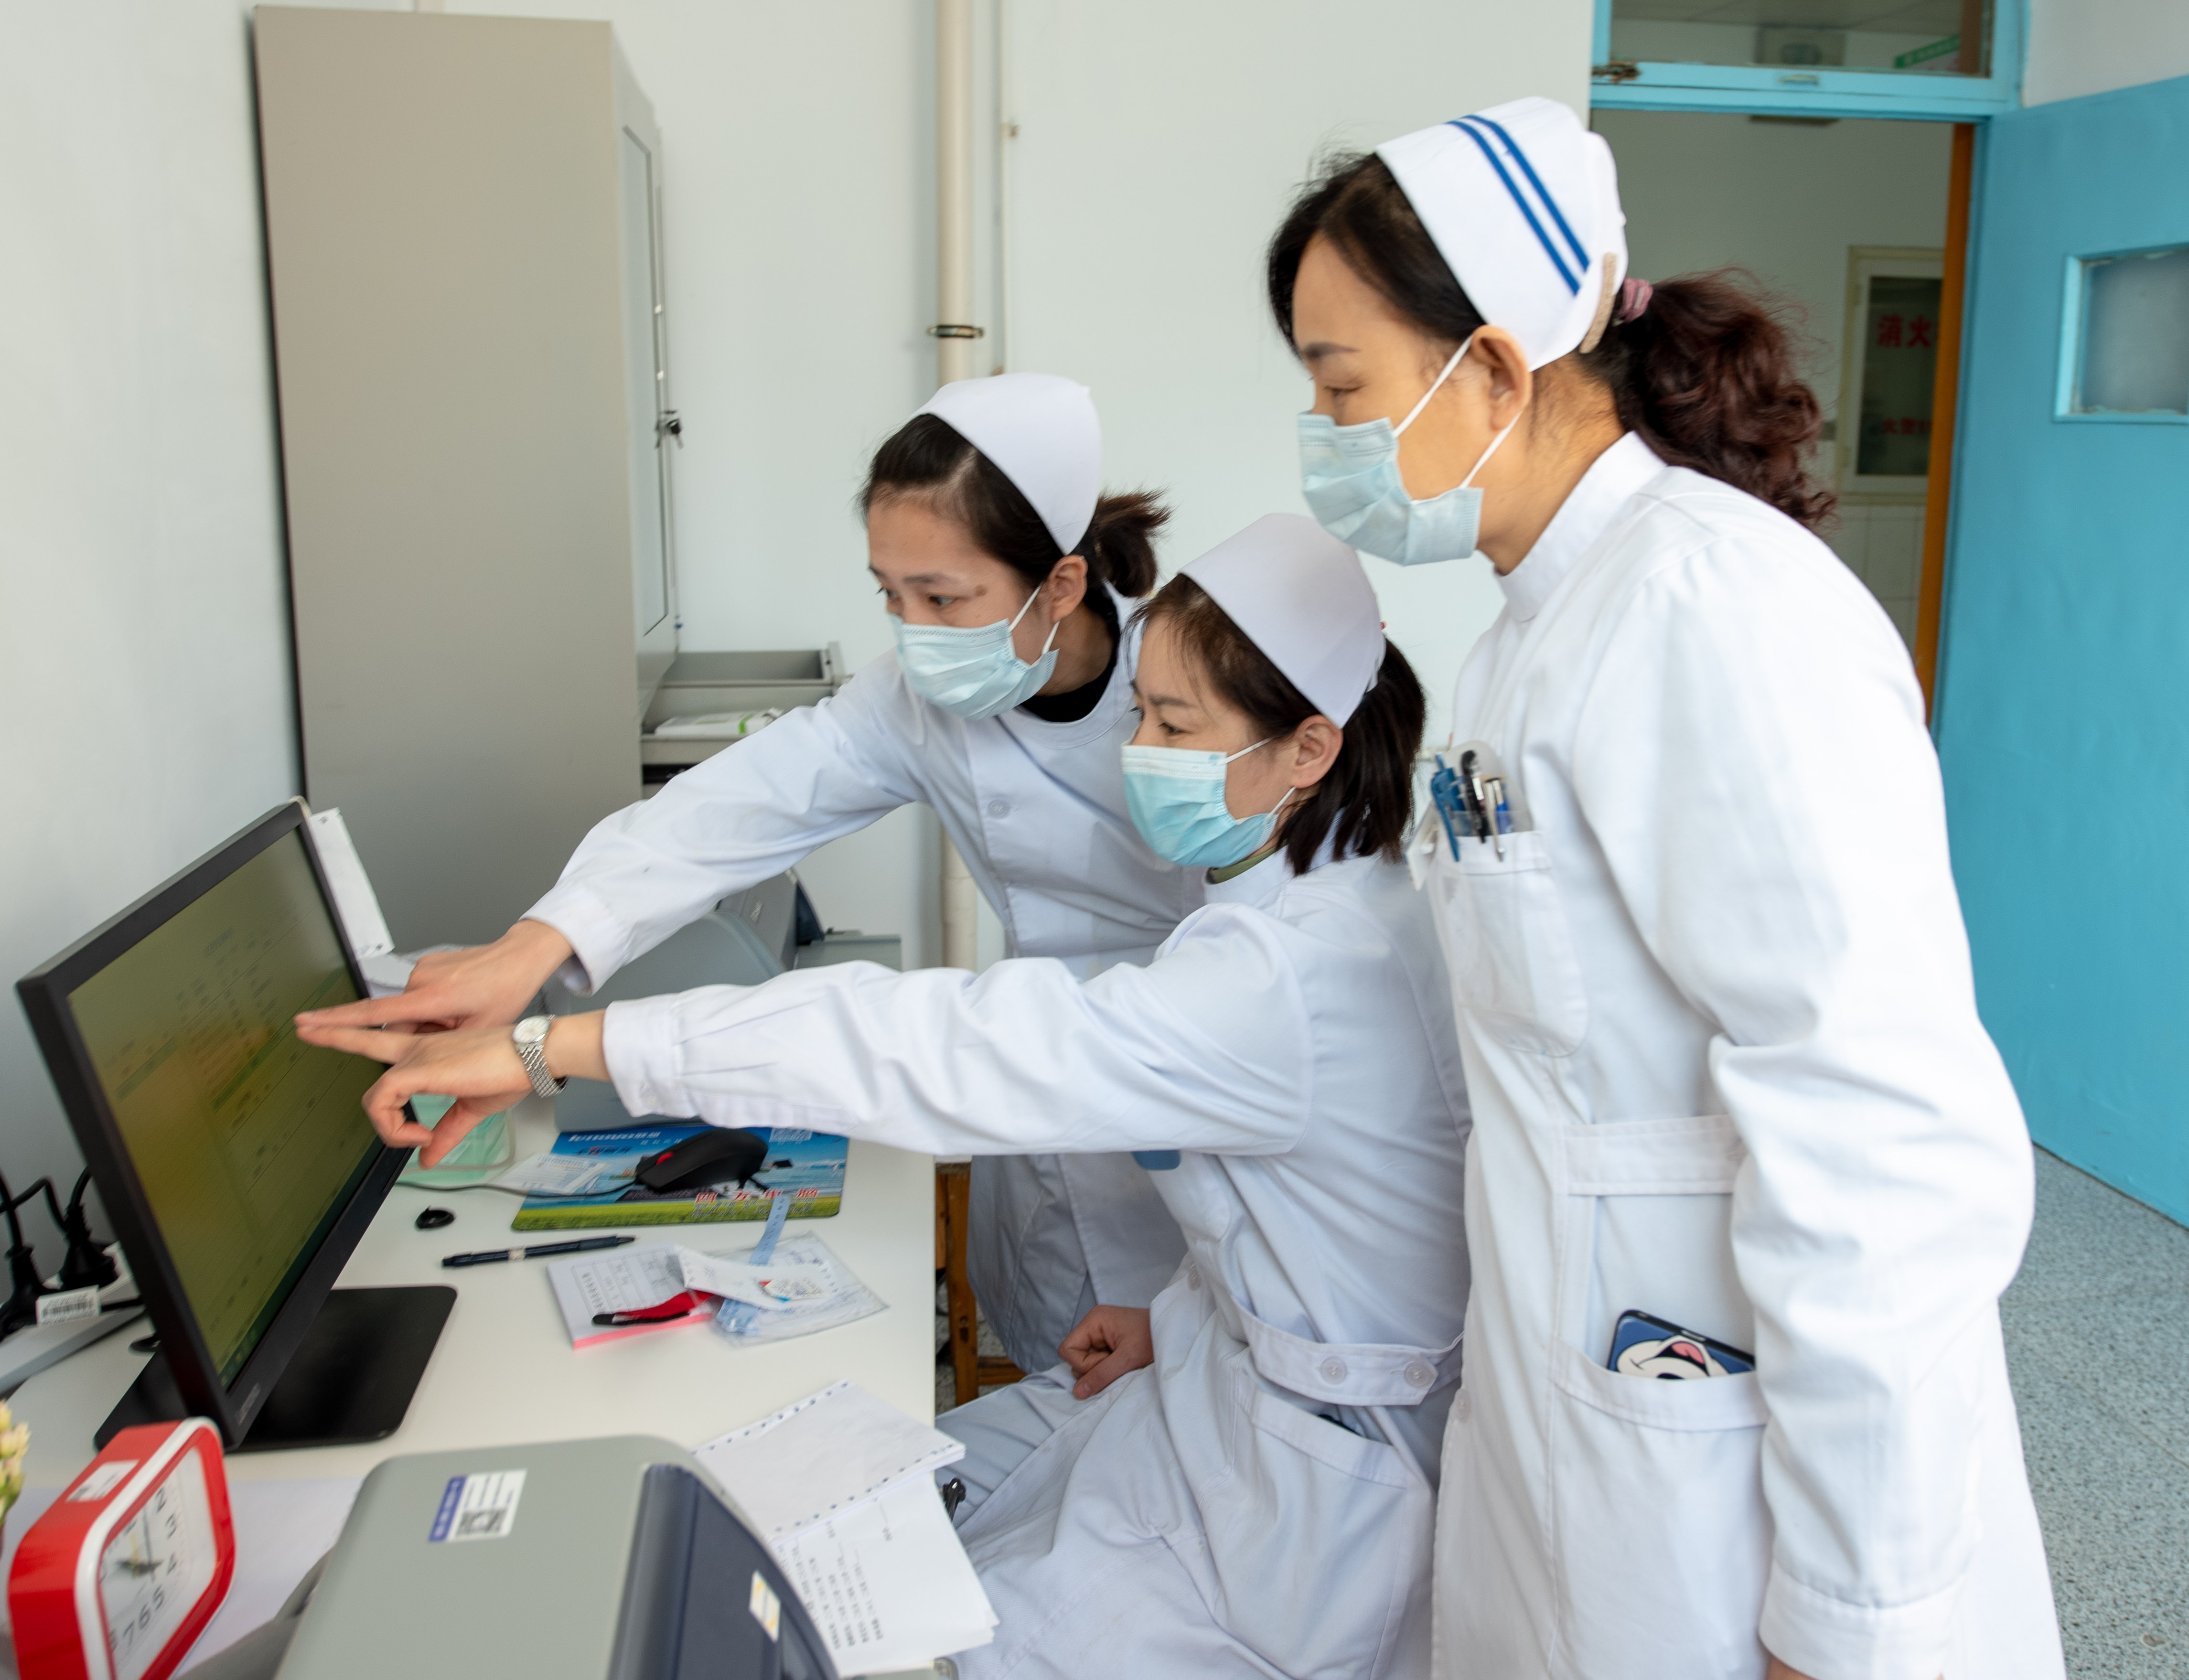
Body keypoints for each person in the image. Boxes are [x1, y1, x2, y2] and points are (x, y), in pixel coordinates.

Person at [299, 513, 1470, 1679]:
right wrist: (1185, 1311)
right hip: (1206, 1384)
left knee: (883, 1630)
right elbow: (1325, 1228)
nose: (1136, 752)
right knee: (814, 1512)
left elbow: (935, 1044)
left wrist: (562, 1044)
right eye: (1140, 716)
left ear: (1306, 749)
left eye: (1172, 724)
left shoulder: (1285, 973)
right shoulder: (1312, 899)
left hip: (1300, 1500)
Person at [1266, 97, 2061, 1680]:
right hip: (1593, 1427)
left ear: (1493, 368)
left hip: (1730, 1491)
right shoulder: (1533, 632)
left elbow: (1875, 1132)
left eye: (1341, 386)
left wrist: (1850, 1620)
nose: (1322, 433)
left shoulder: (1712, 609)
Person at [299, 372, 1198, 1377]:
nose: (912, 631)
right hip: (1031, 1111)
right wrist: (535, 946)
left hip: (1190, 1098)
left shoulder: (1192, 693)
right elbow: (740, 800)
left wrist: (550, 1046)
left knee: (1179, 1396)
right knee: (1056, 1392)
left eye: (942, 597)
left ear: (1060, 586)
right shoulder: (918, 699)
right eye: (889, 594)